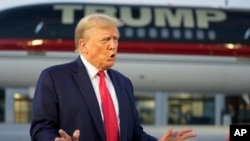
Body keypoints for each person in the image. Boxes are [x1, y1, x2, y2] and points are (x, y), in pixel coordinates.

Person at [30, 13, 197, 141]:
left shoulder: (123, 83)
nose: (113, 46)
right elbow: (40, 129)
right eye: (105, 40)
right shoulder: (54, 77)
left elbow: (134, 133)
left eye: (116, 39)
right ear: (84, 45)